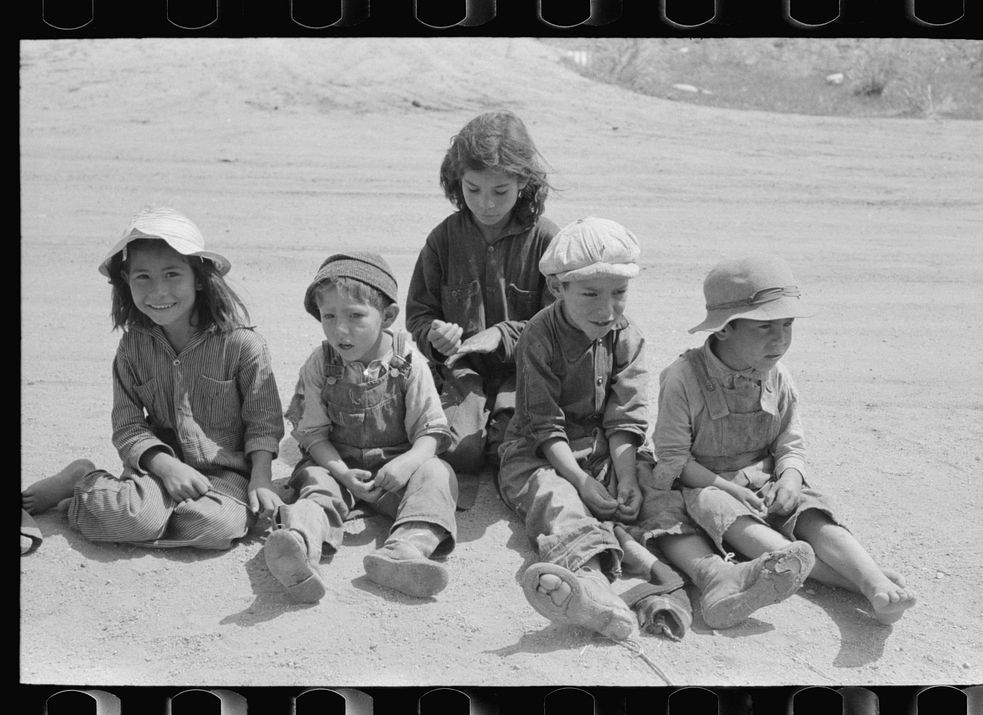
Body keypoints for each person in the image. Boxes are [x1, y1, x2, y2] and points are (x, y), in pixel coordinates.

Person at [639, 255, 915, 626]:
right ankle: (852, 584)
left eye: (787, 325)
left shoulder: (778, 375)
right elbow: (673, 459)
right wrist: (728, 488)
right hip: (707, 482)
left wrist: (789, 477)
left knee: (810, 511)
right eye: (765, 327)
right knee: (721, 509)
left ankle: (873, 578)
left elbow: (790, 442)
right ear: (724, 328)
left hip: (765, 480)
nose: (781, 339)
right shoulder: (682, 377)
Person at [21, 206, 285, 550]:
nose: (158, 292)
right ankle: (82, 479)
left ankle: (101, 508)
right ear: (126, 282)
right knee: (137, 516)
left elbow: (263, 421)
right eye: (142, 277)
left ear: (200, 279)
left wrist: (261, 479)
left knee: (217, 528)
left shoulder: (242, 344)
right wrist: (167, 468)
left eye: (173, 274)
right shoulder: (133, 347)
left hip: (226, 475)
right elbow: (128, 425)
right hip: (159, 470)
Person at [497, 217, 702, 642]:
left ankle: (712, 572)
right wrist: (580, 479)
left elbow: (625, 418)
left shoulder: (628, 338)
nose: (607, 309)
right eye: (590, 294)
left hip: (606, 452)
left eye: (619, 293)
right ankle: (590, 588)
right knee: (558, 501)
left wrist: (626, 477)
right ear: (558, 288)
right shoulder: (538, 336)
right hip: (540, 454)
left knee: (654, 490)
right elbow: (542, 423)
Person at [269, 252, 458, 603]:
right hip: (338, 464)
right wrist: (341, 474)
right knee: (316, 485)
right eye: (329, 316)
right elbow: (312, 435)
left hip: (396, 470)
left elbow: (431, 431)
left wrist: (407, 464)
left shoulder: (408, 360)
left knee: (437, 474)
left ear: (387, 316)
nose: (340, 330)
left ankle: (405, 552)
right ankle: (299, 547)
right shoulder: (320, 363)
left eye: (356, 316)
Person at [406, 110, 560, 489]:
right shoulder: (443, 239)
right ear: (458, 182)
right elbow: (419, 313)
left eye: (500, 192)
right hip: (462, 369)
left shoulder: (546, 240)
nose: (486, 204)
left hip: (524, 370)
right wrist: (435, 335)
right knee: (461, 450)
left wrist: (502, 335)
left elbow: (560, 323)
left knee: (514, 442)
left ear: (523, 181)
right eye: (473, 190)